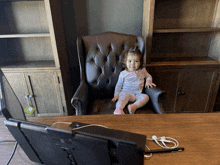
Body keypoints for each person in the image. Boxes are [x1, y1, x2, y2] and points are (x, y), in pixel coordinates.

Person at [112, 46, 156, 115]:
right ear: (125, 62)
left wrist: (148, 81)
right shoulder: (123, 73)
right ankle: (118, 109)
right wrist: (116, 95)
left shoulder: (142, 70)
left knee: (146, 97)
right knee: (123, 97)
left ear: (140, 62)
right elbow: (118, 85)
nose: (132, 64)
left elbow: (148, 76)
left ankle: (133, 106)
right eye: (129, 61)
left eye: (136, 61)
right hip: (126, 93)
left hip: (137, 94)